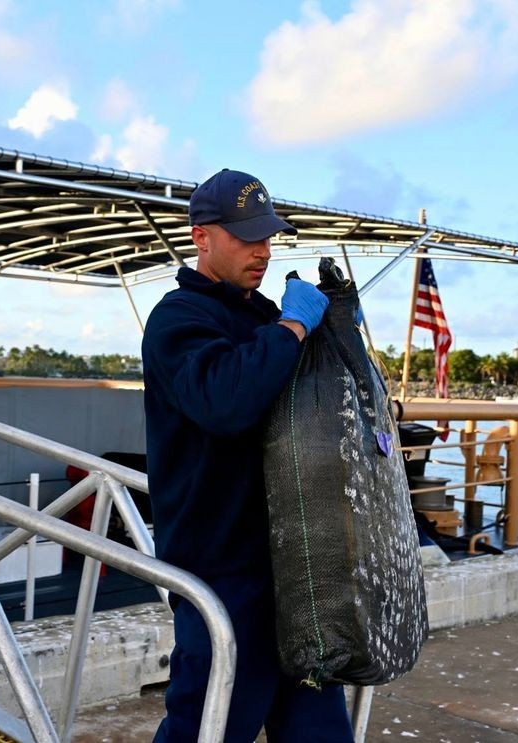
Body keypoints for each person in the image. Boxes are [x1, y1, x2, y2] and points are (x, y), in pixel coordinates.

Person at [142, 169, 354, 742]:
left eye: (267, 236)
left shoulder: (266, 317)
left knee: (320, 732)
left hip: (299, 563)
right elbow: (226, 401)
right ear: (202, 237)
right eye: (246, 236)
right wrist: (292, 326)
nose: (262, 250)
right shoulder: (179, 318)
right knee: (209, 728)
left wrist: (337, 333)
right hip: (222, 570)